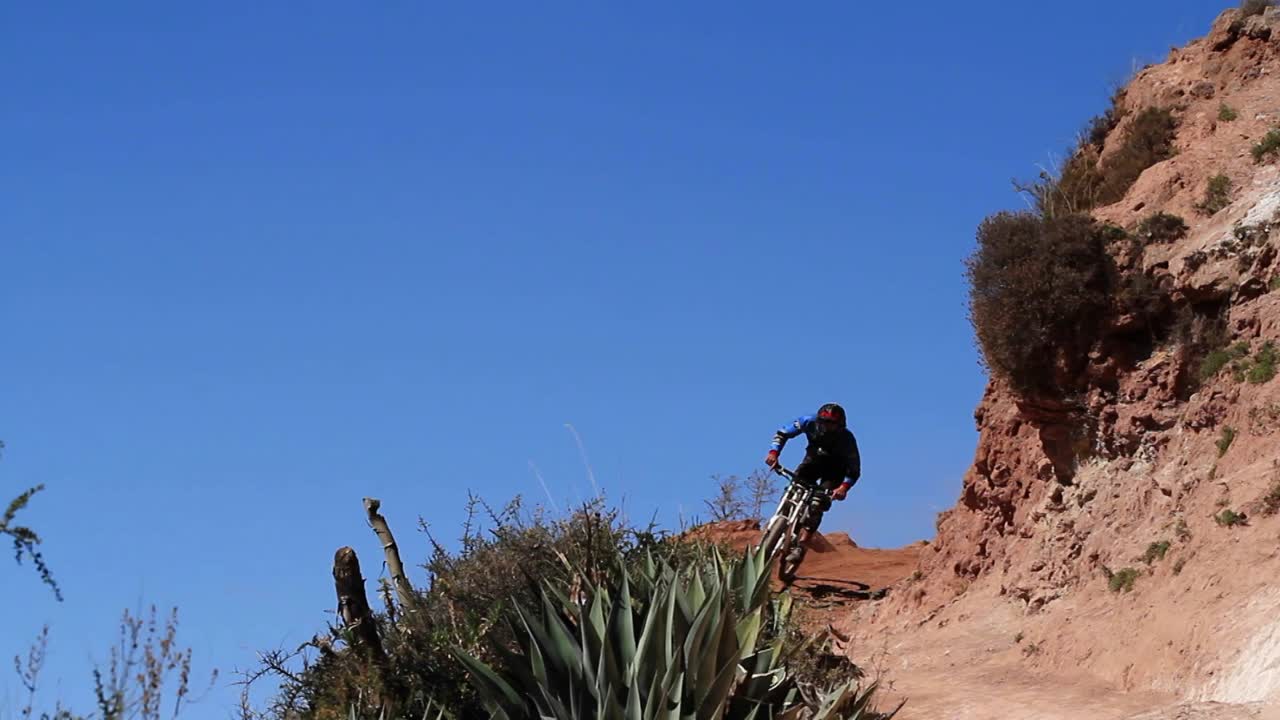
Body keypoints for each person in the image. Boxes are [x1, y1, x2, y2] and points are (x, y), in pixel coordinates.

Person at [764, 402, 861, 564]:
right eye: (824, 422)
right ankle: (778, 523)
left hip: (835, 471)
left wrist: (844, 487)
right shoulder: (808, 421)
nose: (827, 426)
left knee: (817, 504)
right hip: (813, 463)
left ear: (840, 425)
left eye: (832, 424)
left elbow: (855, 469)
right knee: (794, 487)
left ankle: (802, 545)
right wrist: (774, 453)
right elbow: (782, 433)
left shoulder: (847, 439)